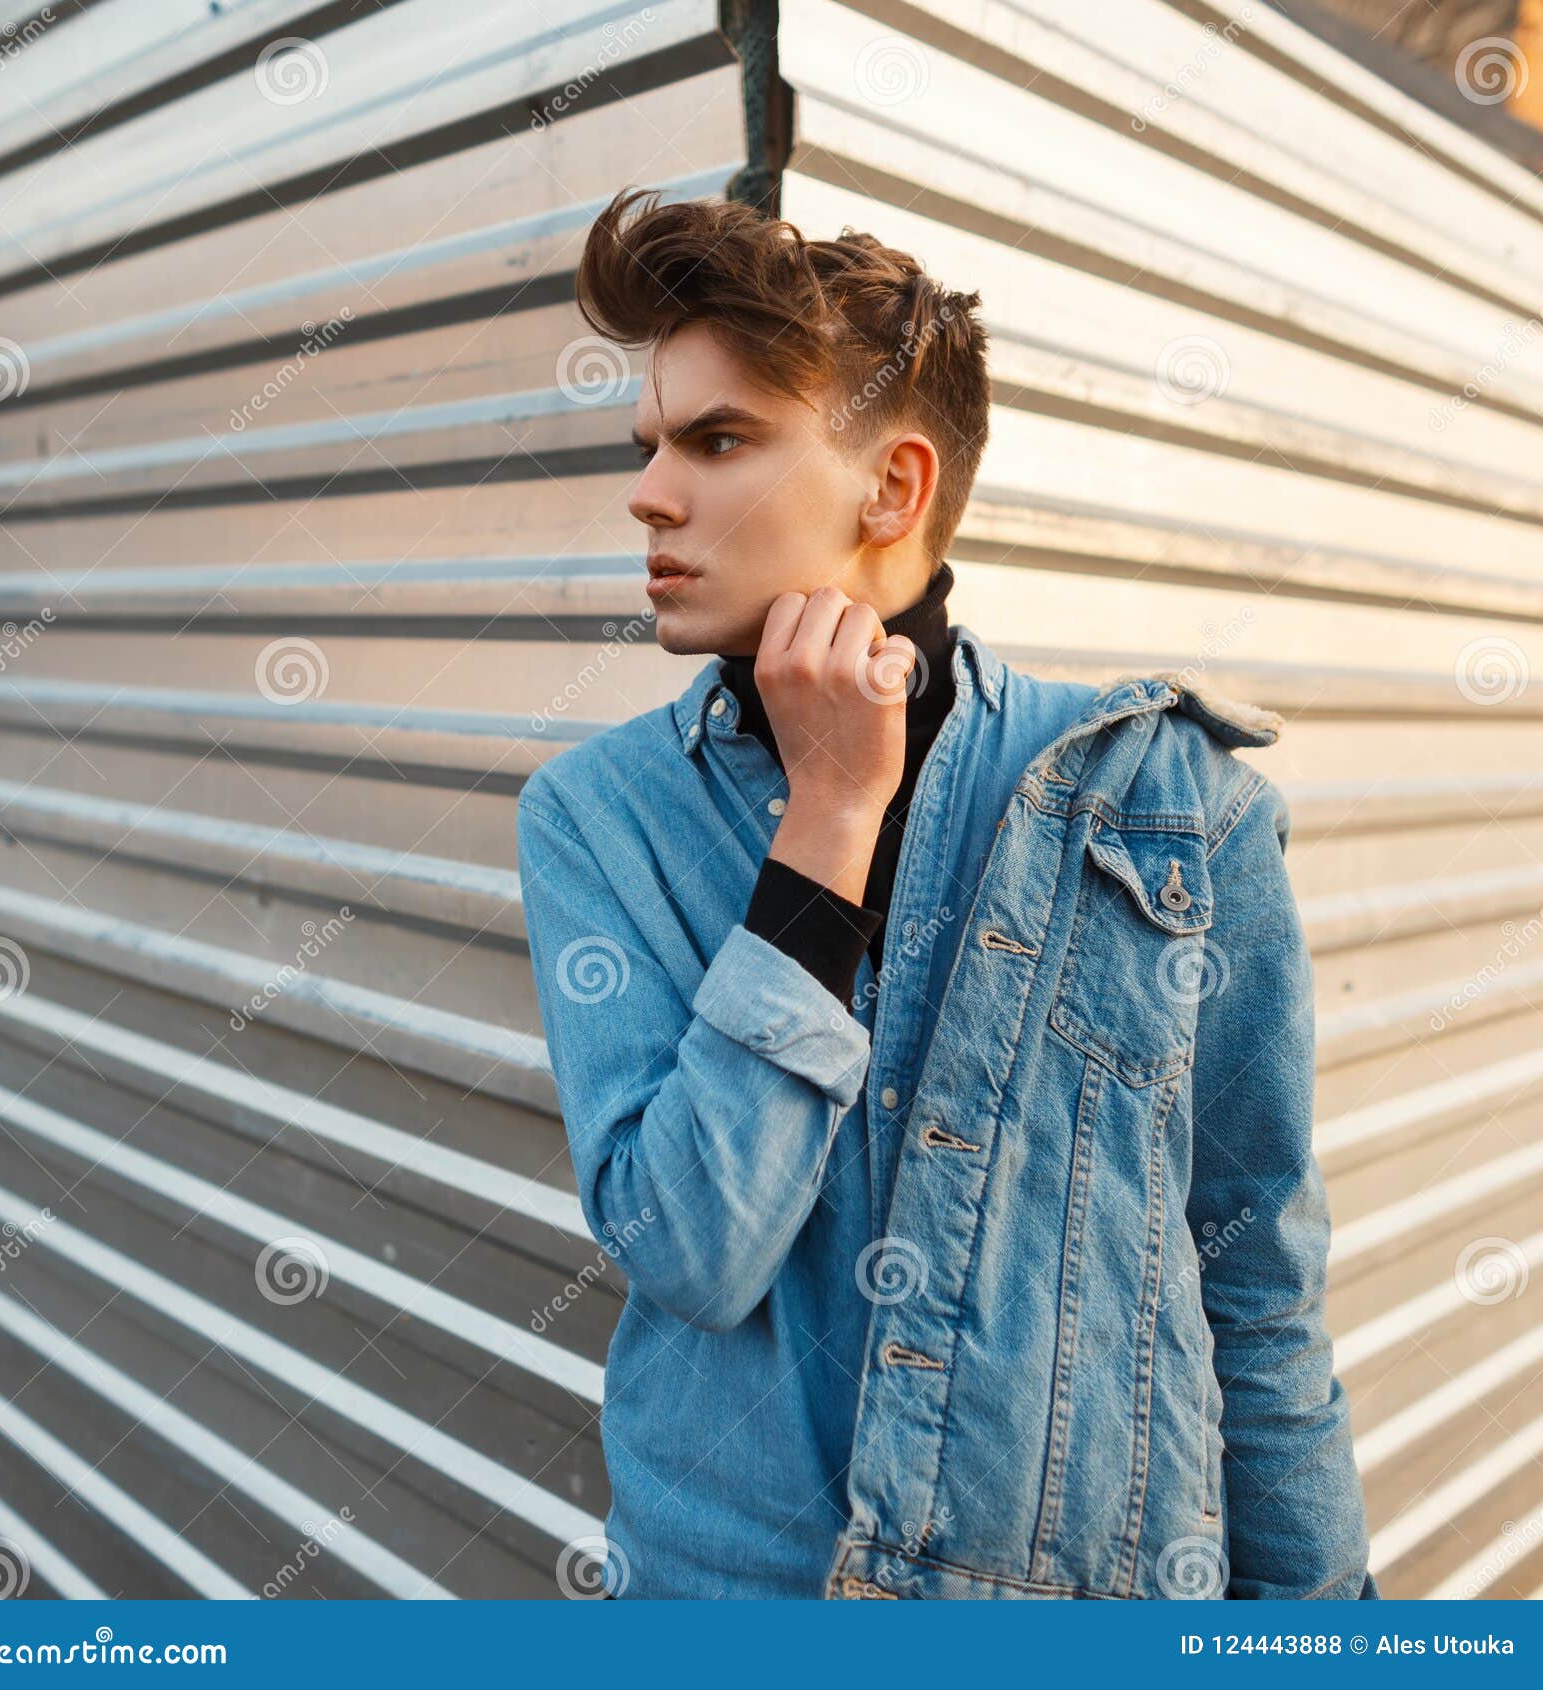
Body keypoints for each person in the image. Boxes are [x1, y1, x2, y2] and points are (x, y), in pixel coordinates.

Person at [517, 187, 1378, 1602]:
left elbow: (1256, 1283)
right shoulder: (599, 816)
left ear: (895, 487)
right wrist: (831, 815)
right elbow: (690, 1247)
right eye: (649, 443)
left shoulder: (1172, 803)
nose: (648, 490)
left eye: (717, 438)